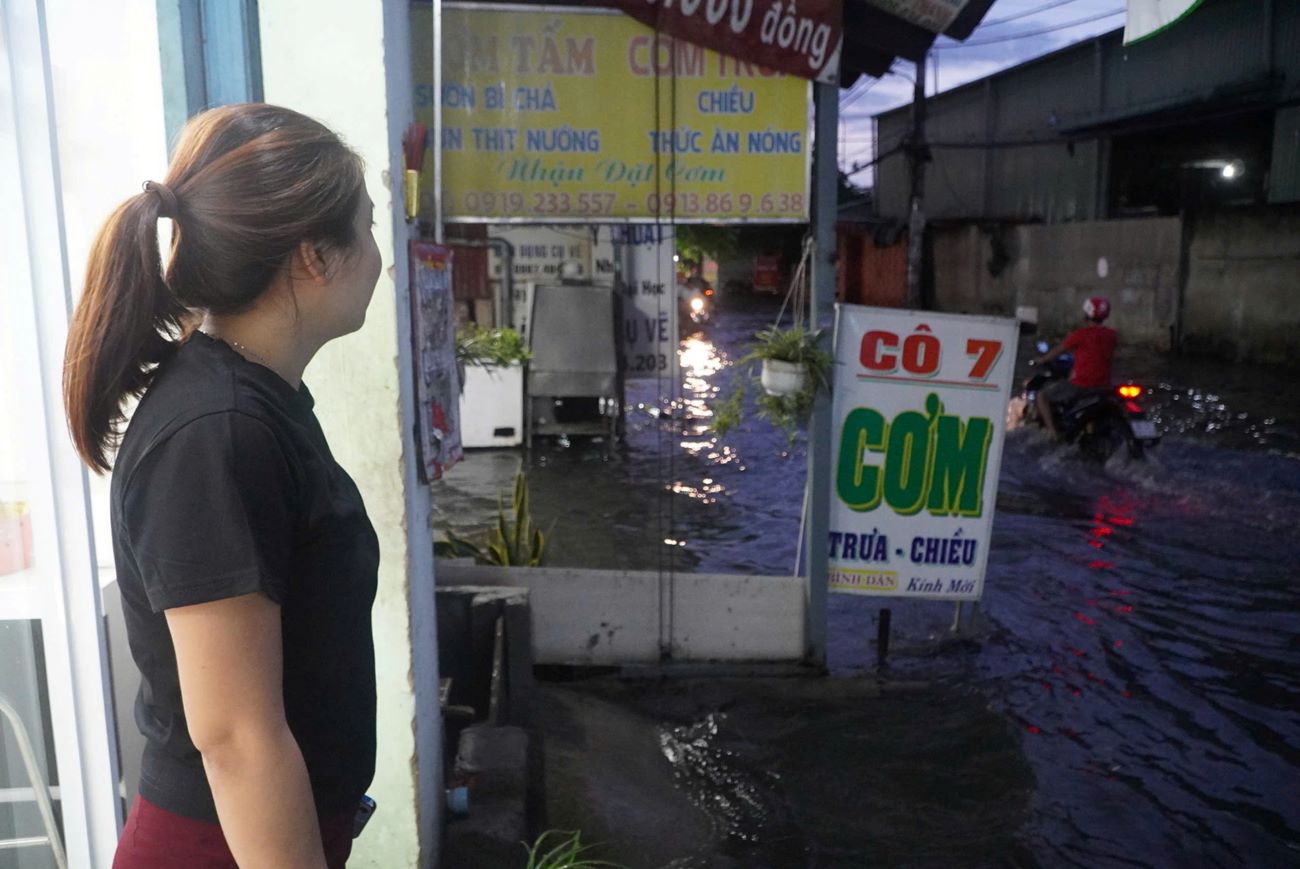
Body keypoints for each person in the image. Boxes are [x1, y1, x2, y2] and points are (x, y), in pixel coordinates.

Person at [63, 103, 382, 868]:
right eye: (366, 228)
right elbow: (234, 737)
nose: (380, 254)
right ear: (314, 255)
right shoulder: (216, 432)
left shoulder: (255, 402)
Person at [1033, 296, 1118, 439]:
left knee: (1042, 396)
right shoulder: (1112, 335)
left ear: (1087, 314)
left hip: (1083, 385)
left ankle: (1053, 433)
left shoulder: (1080, 335)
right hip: (1104, 386)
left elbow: (1058, 350)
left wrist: (1042, 360)